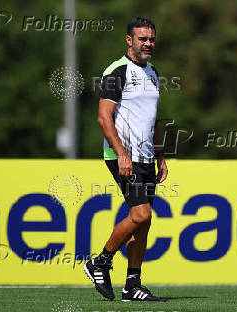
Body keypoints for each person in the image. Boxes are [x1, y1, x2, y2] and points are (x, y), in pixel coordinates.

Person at [83, 17, 168, 302]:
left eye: (151, 39)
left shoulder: (154, 72)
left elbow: (153, 119)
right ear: (129, 40)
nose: (148, 43)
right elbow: (103, 117)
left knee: (143, 224)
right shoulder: (117, 71)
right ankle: (100, 261)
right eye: (142, 38)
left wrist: (161, 156)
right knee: (141, 214)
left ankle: (132, 285)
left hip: (146, 158)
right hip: (122, 156)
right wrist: (121, 154)